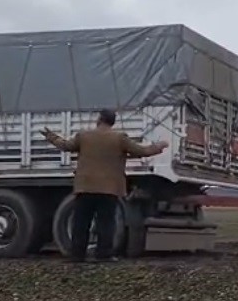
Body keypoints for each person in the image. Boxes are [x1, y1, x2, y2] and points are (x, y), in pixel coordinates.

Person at [41, 109, 169, 262]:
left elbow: (65, 146)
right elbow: (141, 151)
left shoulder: (84, 136)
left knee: (81, 222)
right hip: (109, 188)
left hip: (85, 187)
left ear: (99, 119)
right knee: (106, 223)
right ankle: (103, 254)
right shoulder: (120, 138)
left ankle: (77, 255)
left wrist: (51, 136)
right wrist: (159, 146)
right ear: (113, 122)